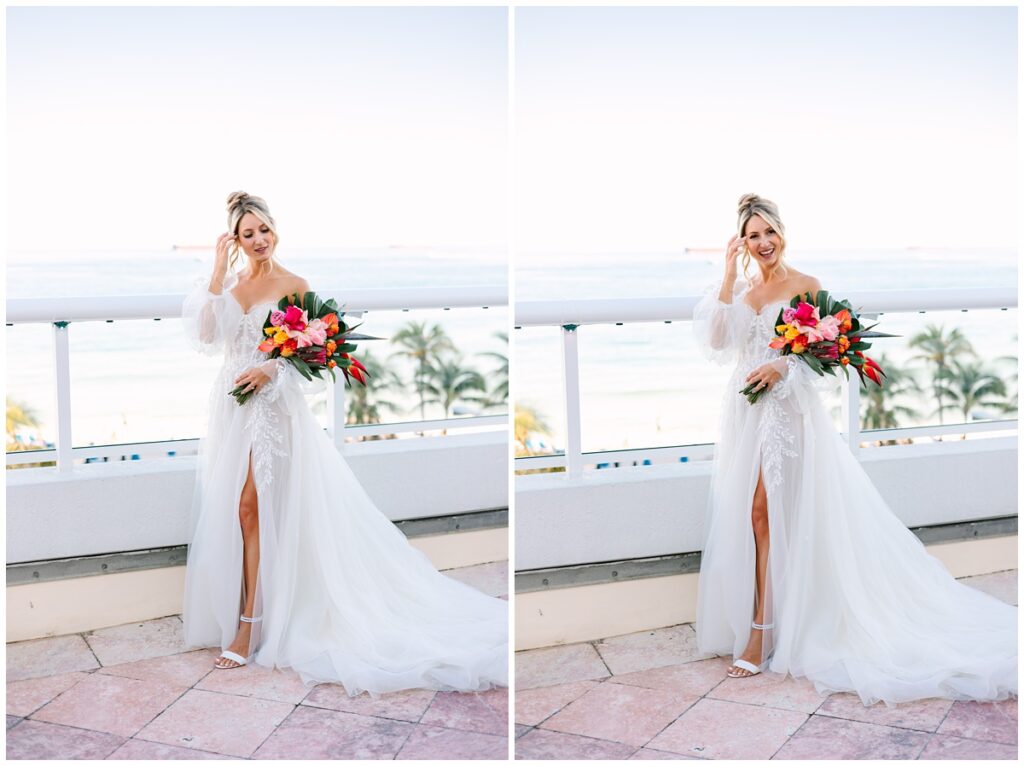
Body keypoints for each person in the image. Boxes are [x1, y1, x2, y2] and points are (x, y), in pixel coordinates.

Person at [691, 193, 1016, 705]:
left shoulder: (808, 287)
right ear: (743, 241)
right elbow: (715, 341)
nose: (763, 242)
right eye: (752, 236)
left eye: (768, 232)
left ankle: (763, 629)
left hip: (786, 413)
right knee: (755, 517)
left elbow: (823, 352)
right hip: (746, 412)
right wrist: (728, 273)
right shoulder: (743, 288)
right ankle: (769, 619)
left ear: (782, 232)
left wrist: (782, 365)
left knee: (768, 511)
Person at [180, 191, 507, 697]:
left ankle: (250, 623)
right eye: (247, 235)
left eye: (263, 230)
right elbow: (205, 337)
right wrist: (217, 272)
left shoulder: (295, 285)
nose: (259, 240)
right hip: (231, 407)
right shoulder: (232, 284)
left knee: (253, 504)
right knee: (241, 510)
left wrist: (273, 366)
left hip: (272, 409)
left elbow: (311, 354)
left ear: (274, 229)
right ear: (235, 240)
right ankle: (259, 609)